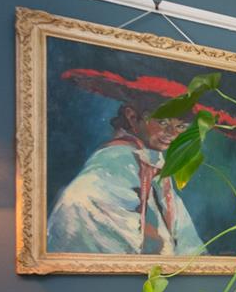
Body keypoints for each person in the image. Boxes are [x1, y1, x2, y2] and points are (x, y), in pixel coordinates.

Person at [47, 69, 225, 255]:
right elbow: (87, 210)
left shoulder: (153, 163)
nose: (172, 133)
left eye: (180, 126)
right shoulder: (115, 161)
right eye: (163, 122)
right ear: (132, 117)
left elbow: (184, 237)